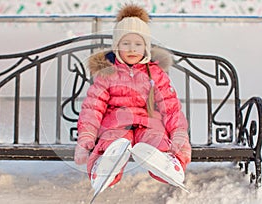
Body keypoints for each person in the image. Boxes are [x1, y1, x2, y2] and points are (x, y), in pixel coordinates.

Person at [74, 4, 191, 187]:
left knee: (156, 137)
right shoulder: (108, 74)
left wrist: (179, 136)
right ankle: (104, 167)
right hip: (117, 122)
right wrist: (86, 137)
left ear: (146, 48)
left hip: (149, 121)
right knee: (112, 141)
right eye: (125, 44)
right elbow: (93, 107)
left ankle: (167, 163)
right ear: (116, 46)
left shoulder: (155, 74)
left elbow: (171, 108)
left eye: (138, 44)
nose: (132, 49)